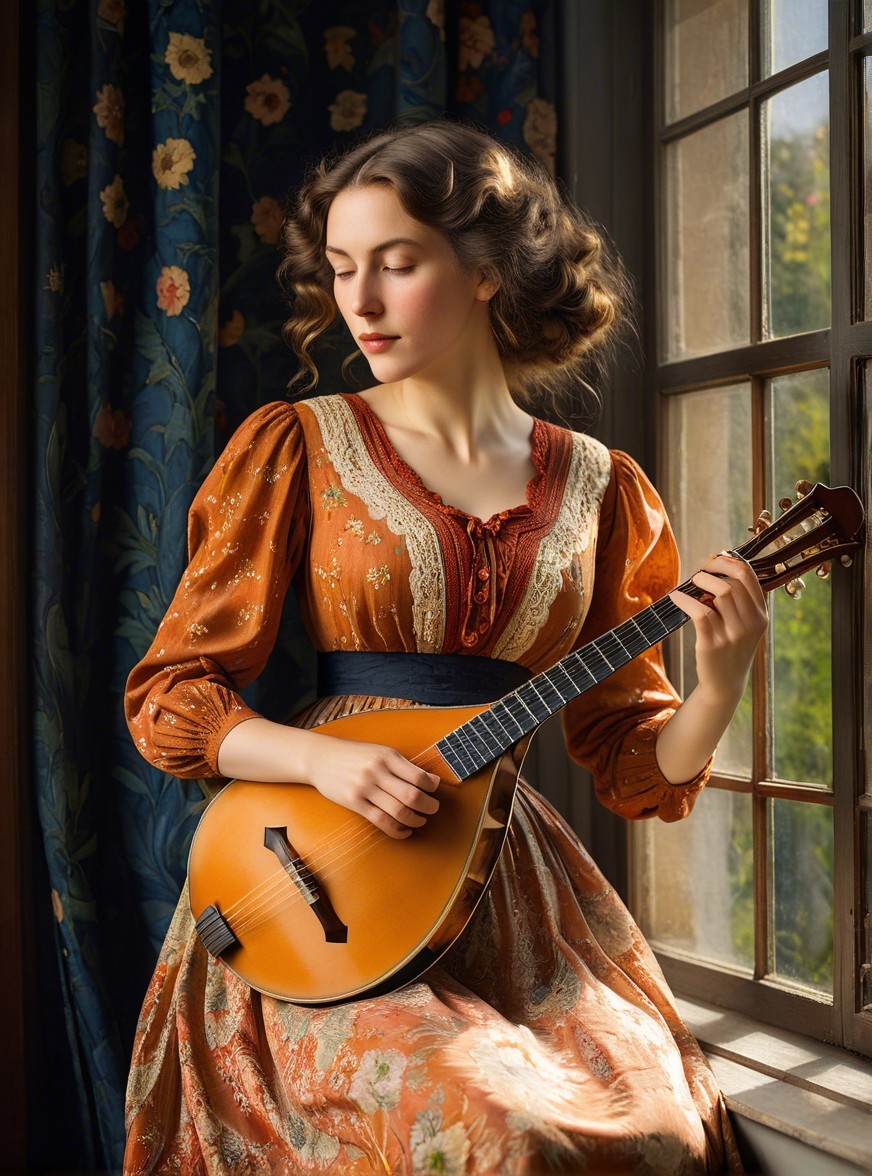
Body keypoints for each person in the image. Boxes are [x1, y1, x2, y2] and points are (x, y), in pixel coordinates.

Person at [123, 118, 764, 1173]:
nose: (359, 302)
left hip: (512, 891)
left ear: (484, 271)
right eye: (339, 270)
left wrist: (717, 685)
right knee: (490, 1133)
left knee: (653, 1135)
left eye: (396, 263)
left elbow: (630, 762)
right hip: (311, 885)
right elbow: (171, 697)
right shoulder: (299, 444)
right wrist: (320, 755)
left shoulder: (605, 489)